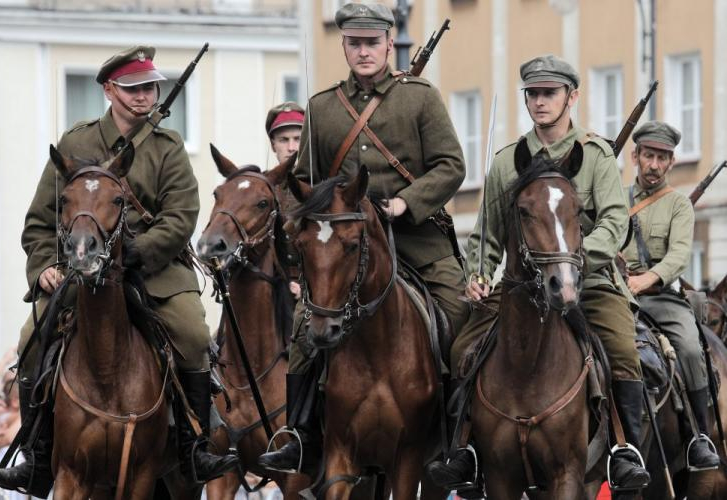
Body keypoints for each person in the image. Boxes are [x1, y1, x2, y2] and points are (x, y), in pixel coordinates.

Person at [0, 45, 236, 497]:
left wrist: (137, 252)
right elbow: (41, 220)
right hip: (78, 269)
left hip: (151, 268)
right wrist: (43, 266)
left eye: (150, 87)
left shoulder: (167, 145)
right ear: (109, 90)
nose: (144, 96)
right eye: (134, 88)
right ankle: (37, 455)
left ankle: (193, 444)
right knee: (30, 339)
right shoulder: (75, 144)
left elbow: (181, 215)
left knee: (194, 335)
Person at [258, 2, 468, 473]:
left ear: (389, 43)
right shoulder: (322, 108)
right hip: (342, 246)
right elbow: (302, 185)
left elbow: (451, 165)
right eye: (355, 43)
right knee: (305, 330)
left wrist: (405, 203)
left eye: (373, 43)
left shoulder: (420, 98)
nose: (364, 51)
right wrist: (306, 232)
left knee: (461, 315)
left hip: (415, 238)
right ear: (345, 46)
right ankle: (299, 434)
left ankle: (459, 442)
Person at [427, 55, 651, 492]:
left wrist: (577, 260)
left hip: (589, 280)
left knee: (623, 347)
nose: (540, 101)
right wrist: (477, 273)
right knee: (463, 347)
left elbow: (614, 221)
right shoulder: (508, 161)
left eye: (550, 92)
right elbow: (487, 234)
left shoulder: (596, 155)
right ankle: (465, 448)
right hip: (521, 289)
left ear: (573, 96)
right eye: (533, 93)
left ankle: (626, 450)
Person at [622, 121, 720, 470]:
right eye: (648, 155)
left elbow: (679, 256)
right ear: (635, 156)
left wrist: (646, 279)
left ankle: (700, 436)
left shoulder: (679, 204)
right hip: (616, 295)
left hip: (660, 297)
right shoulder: (615, 200)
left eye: (662, 158)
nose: (654, 165)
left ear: (671, 162)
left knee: (692, 349)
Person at [265, 102, 305, 299]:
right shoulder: (260, 189)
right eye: (283, 140)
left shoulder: (324, 186)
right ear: (273, 144)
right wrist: (282, 281)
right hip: (270, 286)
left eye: (298, 139)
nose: (291, 148)